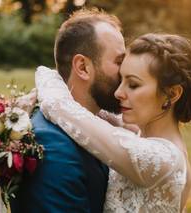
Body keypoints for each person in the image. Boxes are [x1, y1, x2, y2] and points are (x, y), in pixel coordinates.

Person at [35, 33, 191, 212]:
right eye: (121, 79)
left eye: (133, 85)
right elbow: (100, 116)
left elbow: (59, 107)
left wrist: (47, 74)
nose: (118, 93)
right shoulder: (142, 136)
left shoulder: (163, 160)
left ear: (172, 94)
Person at [10, 8, 126, 213]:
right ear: (82, 67)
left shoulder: (100, 121)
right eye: (119, 61)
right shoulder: (52, 146)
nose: (126, 71)